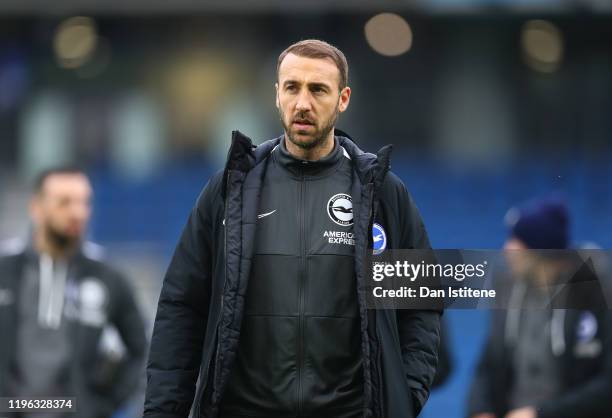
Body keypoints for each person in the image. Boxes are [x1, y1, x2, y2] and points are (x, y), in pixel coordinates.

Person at [144, 39, 441, 418]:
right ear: (276, 95)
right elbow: (182, 308)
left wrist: (404, 398)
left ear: (343, 98)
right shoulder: (230, 188)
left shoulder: (383, 192)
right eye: (292, 87)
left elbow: (422, 304)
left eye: (318, 89)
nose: (303, 103)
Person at [0, 167, 147, 418]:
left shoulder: (107, 277)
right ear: (36, 207)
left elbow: (142, 349)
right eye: (65, 202)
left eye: (84, 202)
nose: (78, 212)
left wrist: (101, 405)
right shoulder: (5, 269)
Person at [467, 195, 612, 418]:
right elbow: (488, 363)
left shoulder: (596, 293)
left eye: (517, 241)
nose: (507, 249)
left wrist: (541, 414)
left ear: (540, 251)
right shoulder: (510, 289)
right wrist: (480, 409)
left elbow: (605, 385)